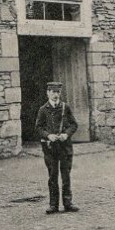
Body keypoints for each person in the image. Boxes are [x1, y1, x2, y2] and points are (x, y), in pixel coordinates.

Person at [35, 81, 79, 214]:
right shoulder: (43, 110)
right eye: (53, 92)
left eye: (58, 92)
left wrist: (66, 134)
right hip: (50, 148)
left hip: (65, 147)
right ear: (48, 93)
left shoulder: (66, 108)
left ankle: (68, 203)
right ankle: (53, 205)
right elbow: (38, 128)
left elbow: (74, 124)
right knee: (52, 176)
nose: (55, 95)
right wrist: (48, 136)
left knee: (66, 175)